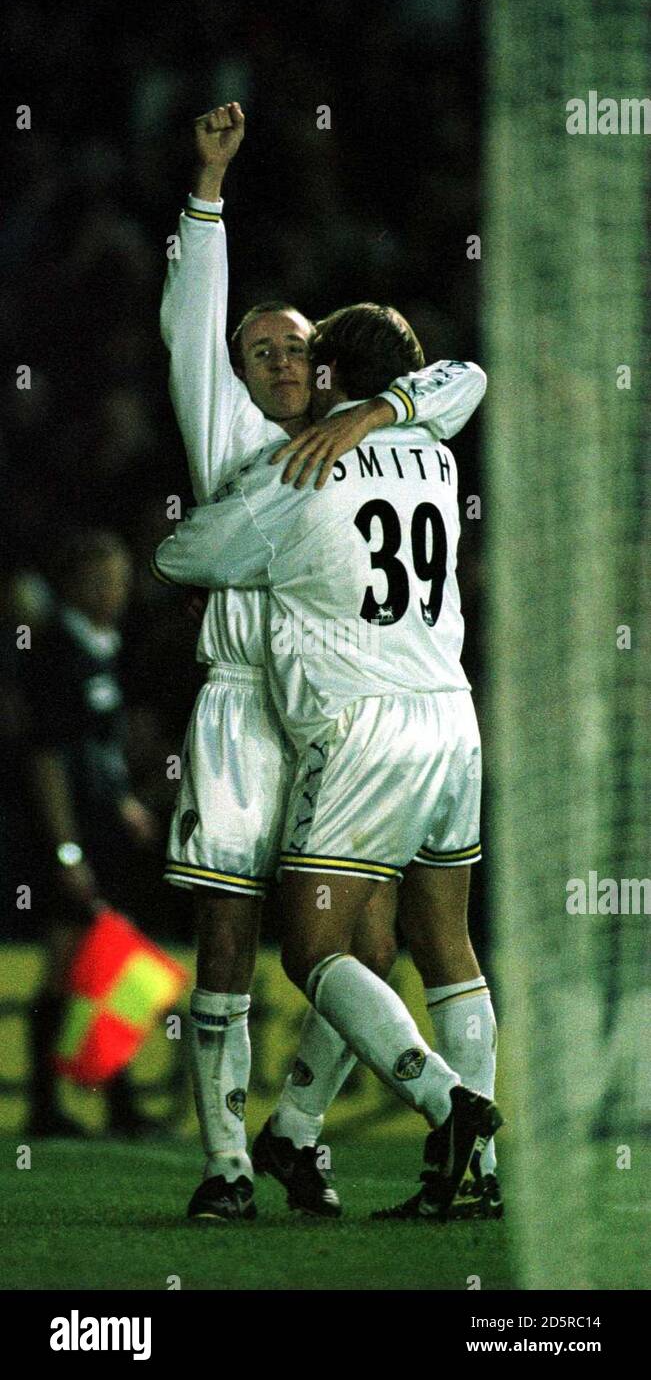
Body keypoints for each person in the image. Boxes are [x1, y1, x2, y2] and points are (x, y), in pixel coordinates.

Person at [158, 102, 490, 1222]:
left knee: (367, 936)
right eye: (261, 351)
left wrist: (380, 406)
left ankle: (298, 1133)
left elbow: (455, 379)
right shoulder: (233, 436)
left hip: (344, 707)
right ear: (235, 370)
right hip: (255, 701)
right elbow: (194, 320)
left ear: (326, 365)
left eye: (299, 347)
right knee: (231, 932)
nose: (282, 359)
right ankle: (229, 1164)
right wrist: (207, 194)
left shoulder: (348, 434)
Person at [23, 528, 160, 1139]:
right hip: (72, 834)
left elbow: (98, 749)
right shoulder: (55, 653)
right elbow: (48, 757)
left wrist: (126, 800)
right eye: (104, 580)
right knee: (67, 964)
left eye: (122, 581)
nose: (116, 592)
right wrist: (65, 849)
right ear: (75, 586)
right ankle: (47, 1105)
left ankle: (116, 1102)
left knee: (115, 964)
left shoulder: (105, 648)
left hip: (106, 829)